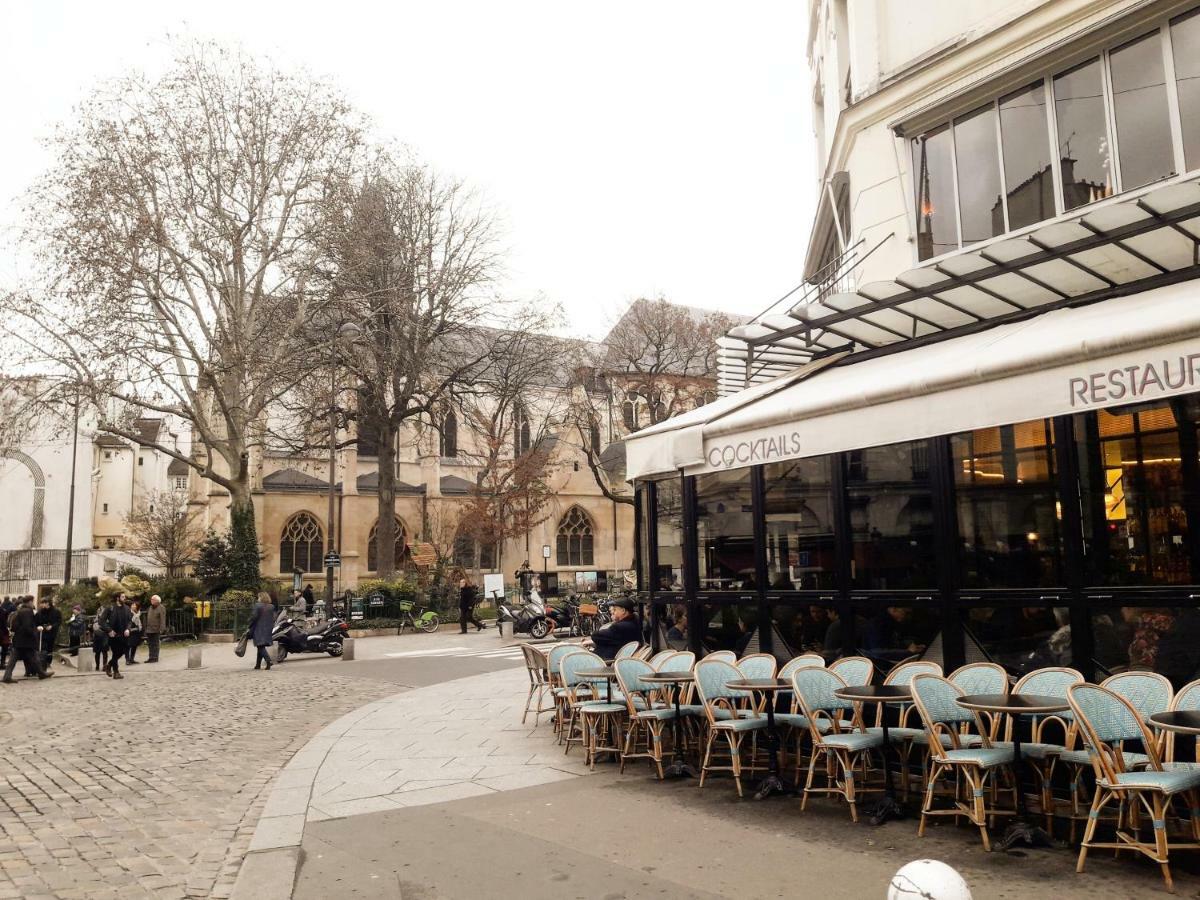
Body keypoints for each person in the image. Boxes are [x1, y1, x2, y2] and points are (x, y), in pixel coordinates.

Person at [2, 597, 53, 682]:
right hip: (25, 639)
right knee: (30, 656)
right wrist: (34, 632)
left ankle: (41, 673)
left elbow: (15, 626)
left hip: (20, 639)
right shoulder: (27, 611)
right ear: (29, 602)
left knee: (30, 657)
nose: (33, 604)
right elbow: (27, 626)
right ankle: (41, 673)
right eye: (32, 602)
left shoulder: (20, 611)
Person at [102, 594, 132, 679]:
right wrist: (109, 630)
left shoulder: (127, 608)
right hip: (113, 635)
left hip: (124, 634)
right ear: (117, 598)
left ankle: (109, 665)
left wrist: (128, 629)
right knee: (115, 653)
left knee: (124, 650)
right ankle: (116, 672)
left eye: (125, 597)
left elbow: (130, 621)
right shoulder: (110, 608)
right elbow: (102, 621)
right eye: (122, 597)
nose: (124, 598)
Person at [247, 591, 275, 670]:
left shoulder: (258, 606)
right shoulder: (271, 606)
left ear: (261, 597)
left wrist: (249, 624)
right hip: (268, 628)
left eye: (259, 597)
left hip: (258, 628)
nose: (258, 598)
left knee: (259, 645)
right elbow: (273, 618)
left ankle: (268, 660)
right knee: (260, 645)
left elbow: (254, 617)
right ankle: (258, 665)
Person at [35, 597, 62, 669]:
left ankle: (48, 662)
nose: (41, 605)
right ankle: (42, 661)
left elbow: (58, 621)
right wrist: (39, 627)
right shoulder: (40, 612)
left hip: (51, 633)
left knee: (50, 647)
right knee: (43, 647)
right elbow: (36, 621)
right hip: (42, 633)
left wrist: (52, 626)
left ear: (47, 603)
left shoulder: (56, 611)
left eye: (42, 603)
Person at [143, 594, 166, 663]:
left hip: (156, 629)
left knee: (155, 644)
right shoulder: (150, 607)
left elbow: (163, 619)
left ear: (157, 601)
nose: (151, 600)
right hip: (149, 629)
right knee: (150, 644)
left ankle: (155, 658)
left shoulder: (161, 607)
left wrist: (162, 628)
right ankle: (151, 657)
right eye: (151, 599)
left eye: (153, 599)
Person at [92, 601, 110, 672]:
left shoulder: (107, 617)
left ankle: (104, 666)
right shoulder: (96, 618)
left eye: (101, 610)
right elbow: (94, 624)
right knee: (97, 652)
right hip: (97, 636)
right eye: (99, 610)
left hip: (104, 635)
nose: (100, 611)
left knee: (104, 651)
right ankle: (97, 666)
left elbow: (108, 625)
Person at [0, 596, 14, 671]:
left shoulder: (3, 611)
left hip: (2, 632)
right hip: (2, 633)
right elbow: (4, 623)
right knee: (4, 648)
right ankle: (2, 663)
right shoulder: (3, 611)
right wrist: (7, 632)